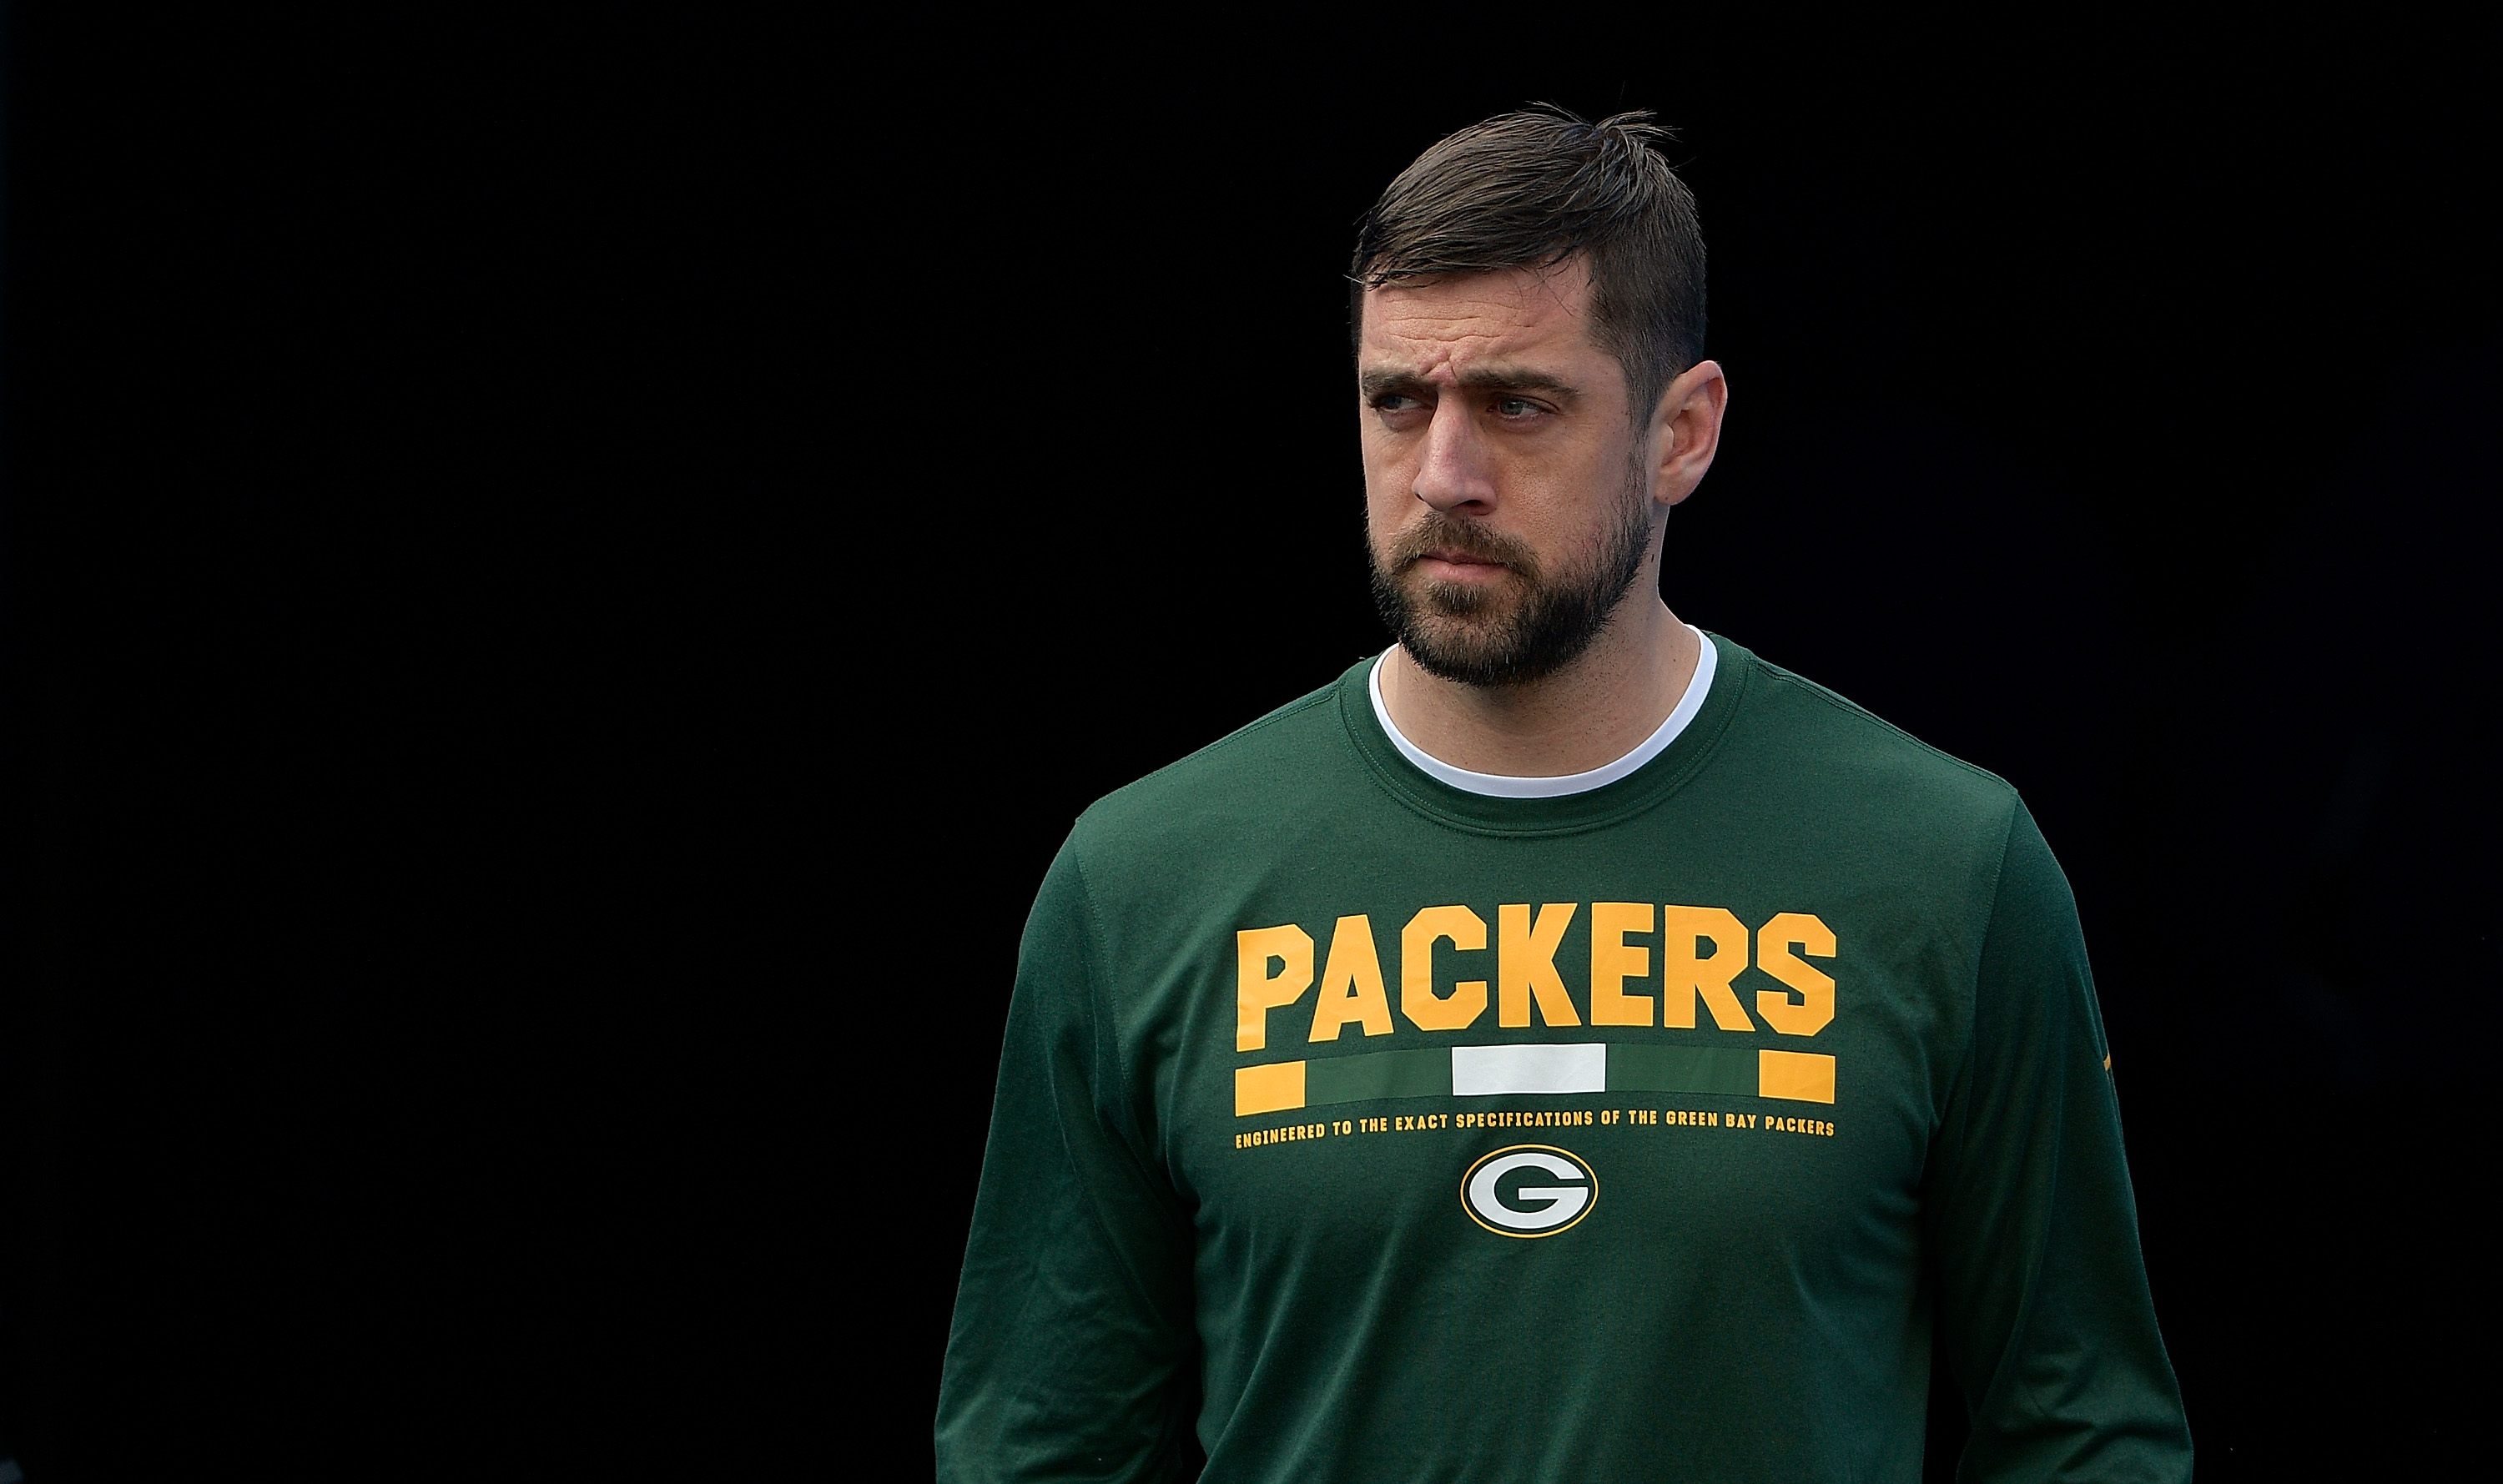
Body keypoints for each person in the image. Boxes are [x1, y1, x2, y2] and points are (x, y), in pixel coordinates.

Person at [936, 106, 2189, 1483]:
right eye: (1397, 401)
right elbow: (1039, 1445)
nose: (1445, 476)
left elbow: (2085, 1436)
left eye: (1520, 404)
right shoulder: (1140, 882)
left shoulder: (1947, 867)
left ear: (1684, 434)